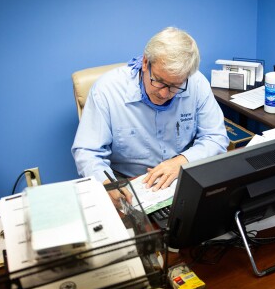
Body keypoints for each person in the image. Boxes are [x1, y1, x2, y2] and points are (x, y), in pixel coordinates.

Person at [72, 27, 228, 207]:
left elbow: (216, 137)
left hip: (183, 176)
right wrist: (107, 184)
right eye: (160, 81)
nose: (164, 94)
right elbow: (88, 152)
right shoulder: (107, 91)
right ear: (145, 63)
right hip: (129, 184)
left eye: (176, 86)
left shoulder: (196, 83)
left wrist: (182, 161)